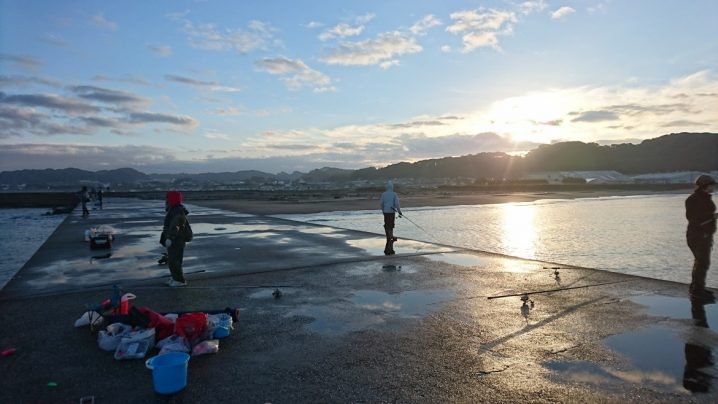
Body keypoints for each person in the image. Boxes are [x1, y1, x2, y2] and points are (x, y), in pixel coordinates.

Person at [685, 174, 717, 301]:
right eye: (712, 184)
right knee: (702, 262)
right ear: (705, 185)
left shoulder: (702, 198)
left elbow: (701, 217)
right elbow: (694, 219)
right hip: (698, 236)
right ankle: (697, 291)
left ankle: (696, 288)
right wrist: (713, 217)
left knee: (700, 262)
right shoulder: (695, 199)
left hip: (701, 235)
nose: (714, 186)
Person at [160, 191, 193, 287]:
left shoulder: (177, 211)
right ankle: (175, 277)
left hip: (177, 239)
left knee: (175, 260)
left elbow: (175, 226)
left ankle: (179, 280)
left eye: (168, 199)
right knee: (172, 260)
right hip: (175, 239)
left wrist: (170, 238)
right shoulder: (174, 209)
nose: (166, 201)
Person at [380, 180, 402, 255]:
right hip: (392, 211)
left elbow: (381, 203)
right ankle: (390, 237)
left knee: (387, 225)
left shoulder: (383, 194)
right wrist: (399, 211)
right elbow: (397, 203)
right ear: (392, 187)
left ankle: (389, 237)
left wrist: (383, 210)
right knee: (391, 225)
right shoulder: (394, 194)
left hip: (386, 211)